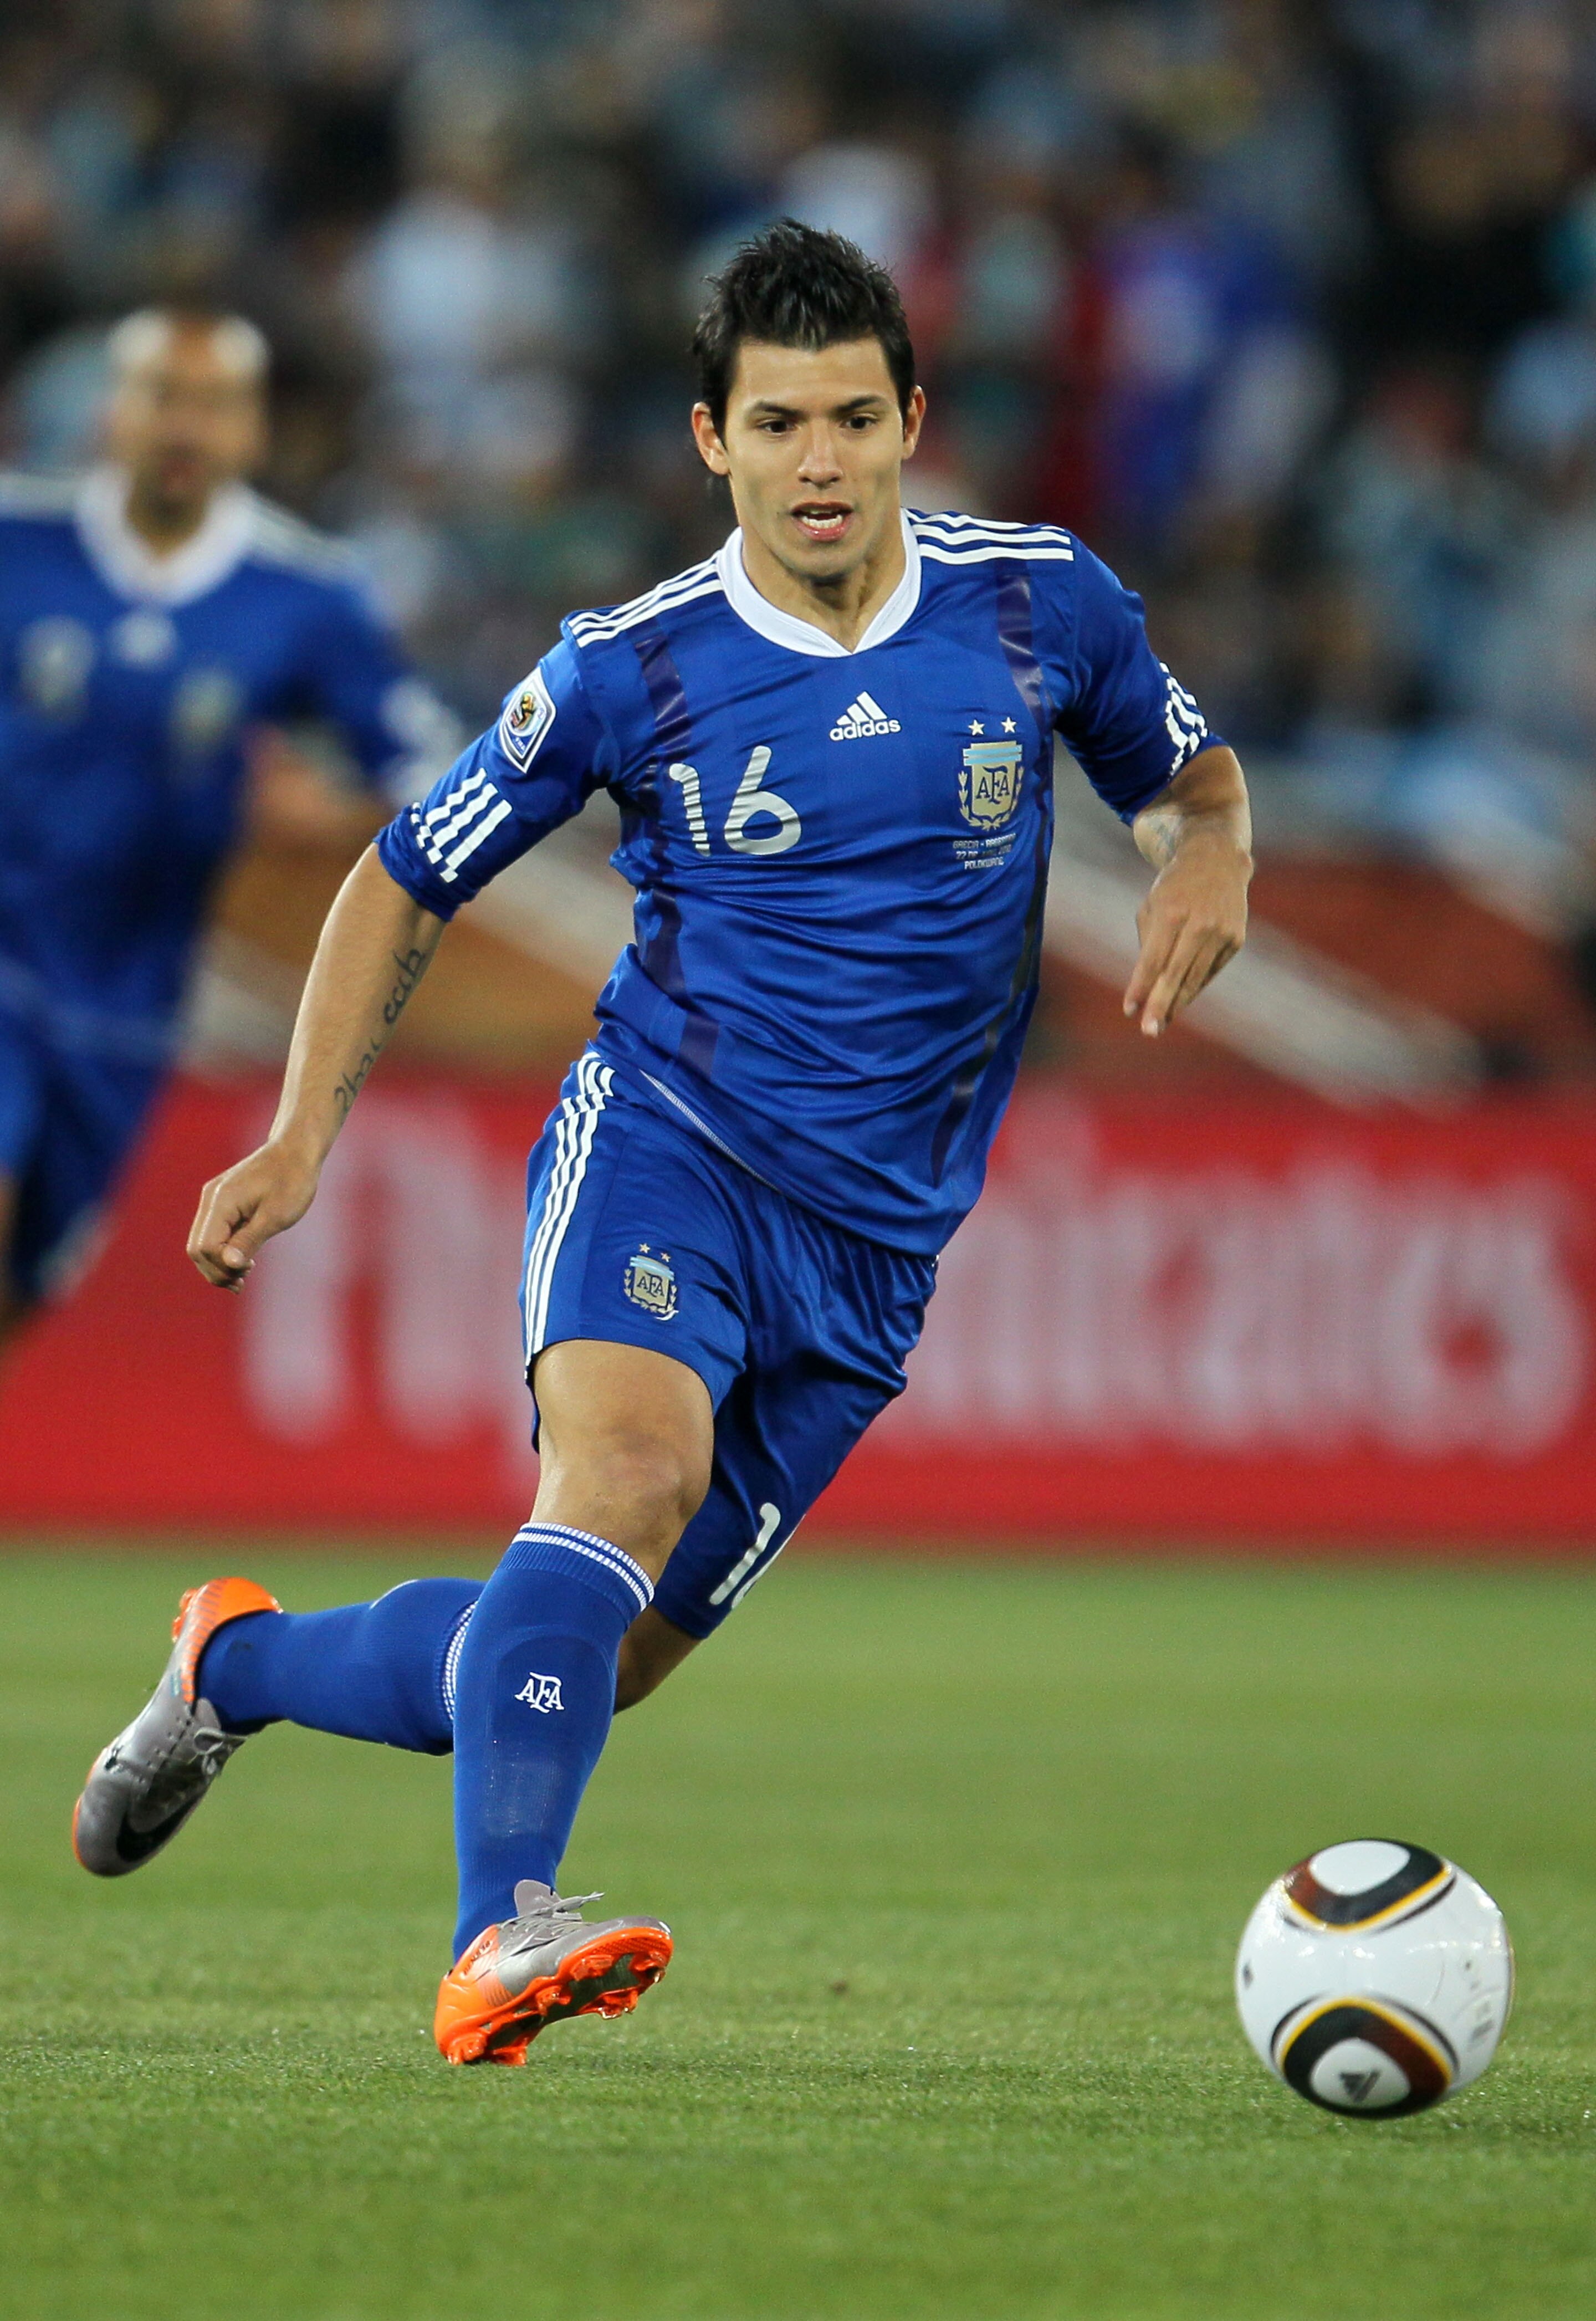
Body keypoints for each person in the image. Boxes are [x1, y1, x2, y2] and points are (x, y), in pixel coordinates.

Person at [73, 225, 1253, 2067]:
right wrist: (303, 1130)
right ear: (713, 439)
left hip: (877, 1256)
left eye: (857, 418)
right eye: (778, 423)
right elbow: (403, 873)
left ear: (911, 419)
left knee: (577, 1663)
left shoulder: (1043, 604)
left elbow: (1191, 779)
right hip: (673, 1149)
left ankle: (235, 1660)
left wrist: (1213, 859)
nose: (823, 462)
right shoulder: (638, 666)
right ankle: (495, 1935)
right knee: (617, 1479)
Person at [0, 308, 455, 1351]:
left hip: (128, 1005)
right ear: (114, 412)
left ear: (253, 432)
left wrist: (328, 813)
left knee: (23, 1289)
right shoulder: (19, 545)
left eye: (213, 405)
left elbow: (434, 773)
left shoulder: (305, 593)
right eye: (162, 396)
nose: (184, 427)